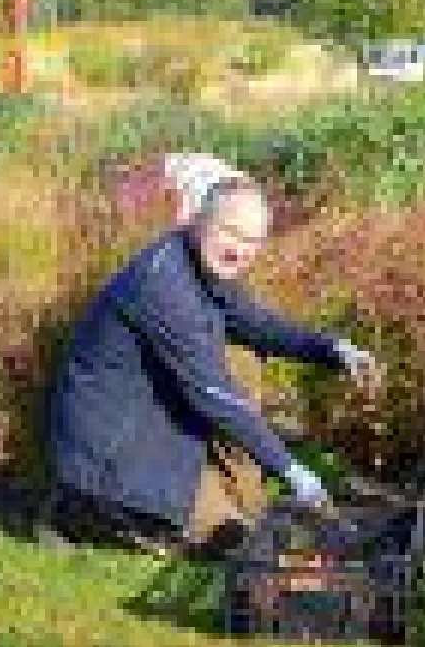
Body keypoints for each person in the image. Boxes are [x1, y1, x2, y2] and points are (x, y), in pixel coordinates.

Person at [47, 175, 381, 558]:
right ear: (197, 221)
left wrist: (332, 348)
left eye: (252, 241)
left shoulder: (199, 266)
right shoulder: (163, 286)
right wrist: (290, 470)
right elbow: (213, 394)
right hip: (113, 453)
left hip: (157, 427)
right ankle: (82, 511)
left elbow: (254, 322)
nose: (239, 250)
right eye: (230, 232)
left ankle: (200, 507)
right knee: (235, 540)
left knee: (251, 524)